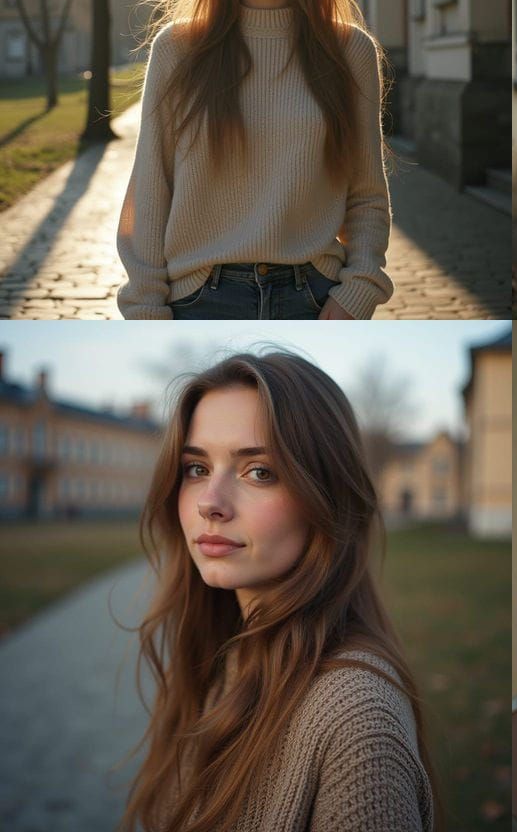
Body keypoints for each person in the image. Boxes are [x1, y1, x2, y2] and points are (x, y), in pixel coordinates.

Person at [118, 351, 437, 832]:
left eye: (259, 471)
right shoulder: (222, 656)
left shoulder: (357, 718)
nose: (209, 503)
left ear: (327, 497)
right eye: (196, 468)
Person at [116, 0, 392, 320]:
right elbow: (150, 192)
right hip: (199, 299)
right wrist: (145, 310)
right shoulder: (178, 49)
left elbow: (367, 196)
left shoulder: (350, 52)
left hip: (315, 297)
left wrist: (357, 293)